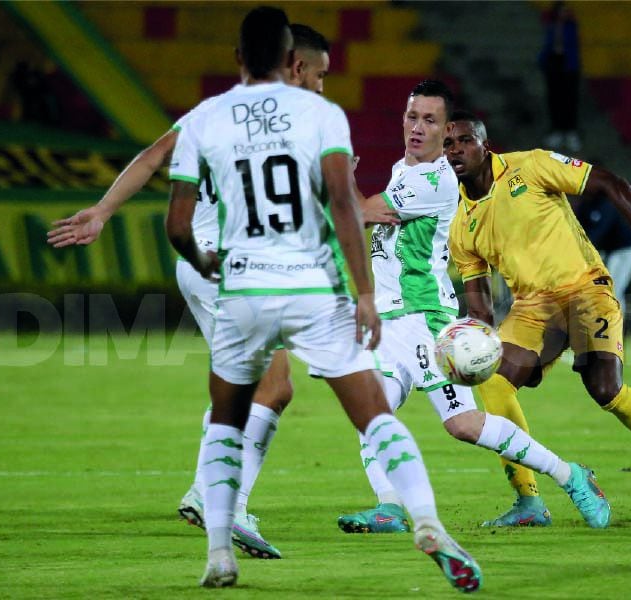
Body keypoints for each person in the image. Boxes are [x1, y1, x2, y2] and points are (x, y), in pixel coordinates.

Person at [165, 7, 481, 590]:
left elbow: (178, 224)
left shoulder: (207, 119)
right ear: (295, 61)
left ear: (239, 58)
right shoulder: (318, 117)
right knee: (376, 415)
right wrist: (363, 292)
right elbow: (345, 209)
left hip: (241, 282)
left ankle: (218, 552)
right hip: (308, 286)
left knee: (235, 410)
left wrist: (203, 261)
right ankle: (430, 523)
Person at [47, 23, 344, 561]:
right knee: (274, 388)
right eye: (320, 75)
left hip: (206, 264)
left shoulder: (218, 110)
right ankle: (224, 502)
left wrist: (104, 209)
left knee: (247, 385)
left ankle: (205, 493)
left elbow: (154, 155)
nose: (323, 88)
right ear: (295, 67)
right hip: (226, 264)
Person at [336, 81, 610, 534]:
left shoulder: (432, 179)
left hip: (423, 321)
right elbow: (368, 219)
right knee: (369, 414)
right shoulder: (401, 170)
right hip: (388, 322)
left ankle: (571, 474)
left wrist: (339, 185)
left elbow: (355, 214)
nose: (417, 128)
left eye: (430, 120)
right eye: (411, 117)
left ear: (445, 131)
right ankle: (389, 508)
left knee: (463, 424)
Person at [443, 111, 631, 527]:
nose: (456, 150)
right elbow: (481, 308)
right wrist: (467, 347)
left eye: (465, 140)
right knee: (496, 380)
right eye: (448, 144)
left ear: (485, 145)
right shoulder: (462, 225)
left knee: (605, 389)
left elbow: (613, 183)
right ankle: (529, 501)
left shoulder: (532, 165)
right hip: (532, 308)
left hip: (584, 289)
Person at [574, 183, 631, 315]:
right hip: (608, 249)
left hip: (626, 249)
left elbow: (597, 233)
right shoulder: (586, 204)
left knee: (613, 289)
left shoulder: (606, 203)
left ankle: (616, 329)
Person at [538, 1, 582, 152]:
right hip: (554, 65)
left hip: (568, 66)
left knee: (569, 99)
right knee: (555, 99)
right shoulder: (550, 27)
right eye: (561, 11)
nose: (564, 14)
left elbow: (572, 46)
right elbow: (547, 46)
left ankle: (570, 132)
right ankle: (557, 130)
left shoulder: (571, 27)